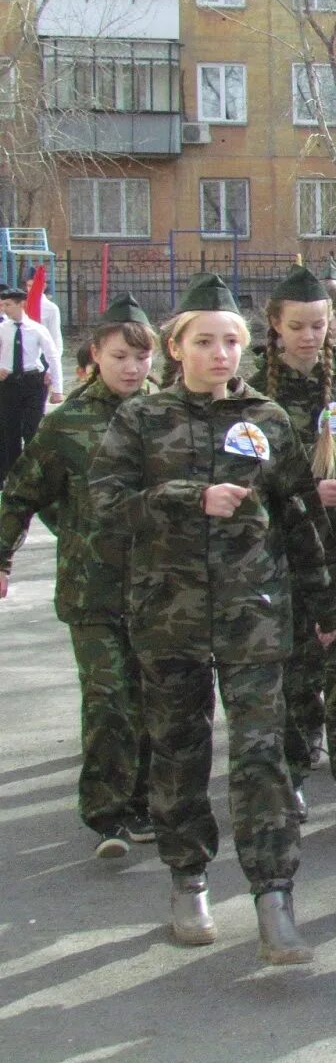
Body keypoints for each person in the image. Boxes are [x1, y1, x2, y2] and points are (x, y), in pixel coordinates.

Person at [89, 272, 336, 964]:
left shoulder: (268, 420)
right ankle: (188, 876)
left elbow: (300, 516)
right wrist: (184, 497)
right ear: (177, 348)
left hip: (254, 618)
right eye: (205, 342)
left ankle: (274, 896)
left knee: (263, 755)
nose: (221, 354)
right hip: (169, 617)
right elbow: (105, 507)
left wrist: (324, 601)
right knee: (179, 751)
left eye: (231, 341)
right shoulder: (141, 420)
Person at [1, 294, 157, 857]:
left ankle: (143, 802)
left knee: (151, 700)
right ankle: (107, 812)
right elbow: (20, 493)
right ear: (95, 354)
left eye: (141, 358)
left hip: (161, 589)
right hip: (91, 588)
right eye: (119, 356)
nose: (131, 369)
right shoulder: (66, 425)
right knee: (110, 696)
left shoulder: (167, 415)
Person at [252, 265, 336, 827]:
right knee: (295, 671)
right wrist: (304, 496)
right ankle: (296, 770)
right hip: (279, 557)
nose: (309, 336)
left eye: (319, 325)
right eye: (297, 326)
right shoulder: (251, 391)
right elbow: (240, 480)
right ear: (275, 326)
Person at [0, 285, 66, 481]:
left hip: (33, 382)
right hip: (8, 383)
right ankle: (11, 475)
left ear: (22, 304)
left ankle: (34, 474)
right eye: (2, 305)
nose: (5, 309)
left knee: (32, 428)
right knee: (9, 429)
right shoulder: (2, 329)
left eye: (9, 305)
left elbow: (52, 357)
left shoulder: (37, 329)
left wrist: (58, 389)